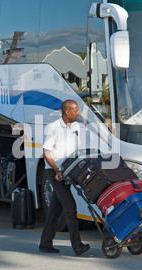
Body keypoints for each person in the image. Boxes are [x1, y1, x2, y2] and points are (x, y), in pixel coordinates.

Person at [39, 100, 90, 256]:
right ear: (66, 112)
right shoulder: (53, 128)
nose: (77, 113)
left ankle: (45, 243)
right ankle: (77, 246)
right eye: (75, 111)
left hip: (68, 172)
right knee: (70, 208)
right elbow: (46, 153)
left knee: (55, 209)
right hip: (55, 174)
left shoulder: (75, 127)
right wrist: (57, 171)